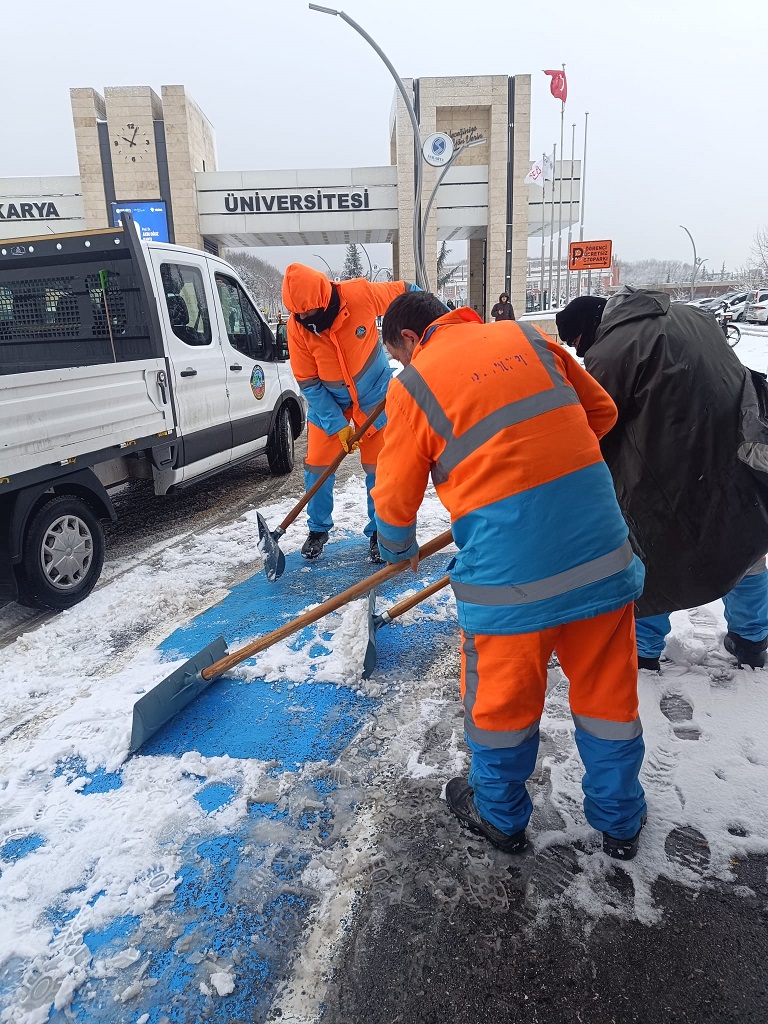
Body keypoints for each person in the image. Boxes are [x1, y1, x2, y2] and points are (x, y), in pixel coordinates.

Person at [372, 291, 647, 859]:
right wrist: (542, 460)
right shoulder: (527, 337)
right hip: (600, 557)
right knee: (609, 701)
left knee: (502, 706)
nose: (402, 366)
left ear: (409, 339)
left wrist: (399, 550)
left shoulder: (413, 385)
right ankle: (620, 822)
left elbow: (395, 501)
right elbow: (602, 414)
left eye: (398, 357)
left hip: (509, 584)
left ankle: (499, 816)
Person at [555, 290, 768, 669]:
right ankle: (752, 639)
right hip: (731, 452)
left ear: (588, 328)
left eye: (575, 343)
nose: (579, 353)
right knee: (742, 544)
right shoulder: (693, 316)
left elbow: (600, 424)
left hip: (670, 469)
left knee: (653, 555)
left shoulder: (611, 351)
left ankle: (644, 651)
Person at [281, 264, 418, 562]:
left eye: (308, 311)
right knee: (317, 466)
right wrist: (336, 423)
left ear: (323, 299)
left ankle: (379, 532)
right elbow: (308, 381)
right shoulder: (297, 326)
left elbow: (408, 294)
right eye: (297, 313)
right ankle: (318, 529)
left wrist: (430, 328)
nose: (303, 318)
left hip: (374, 397)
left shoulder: (360, 295)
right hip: (328, 402)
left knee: (379, 468)